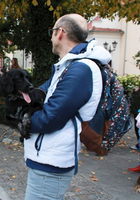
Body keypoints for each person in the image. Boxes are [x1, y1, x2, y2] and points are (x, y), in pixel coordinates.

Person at [23, 13, 111, 199]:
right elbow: (36, 95)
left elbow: (49, 119)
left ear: (60, 32)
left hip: (51, 164)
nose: (51, 37)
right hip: (46, 158)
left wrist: (21, 119)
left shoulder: (80, 70)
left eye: (52, 32)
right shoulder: (68, 67)